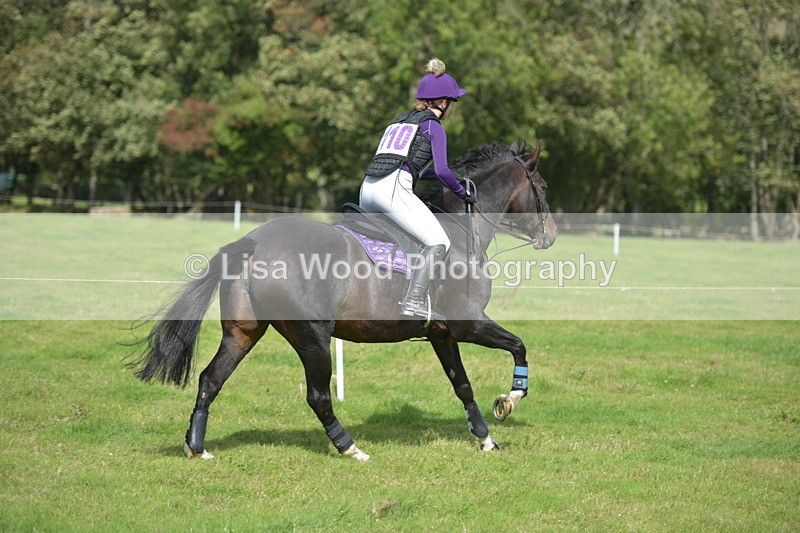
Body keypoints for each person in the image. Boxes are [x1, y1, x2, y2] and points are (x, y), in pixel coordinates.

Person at [359, 58, 475, 318]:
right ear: (443, 103)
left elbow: (414, 167)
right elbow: (444, 171)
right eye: (452, 103)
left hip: (367, 189)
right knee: (439, 241)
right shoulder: (433, 126)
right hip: (393, 191)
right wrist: (462, 193)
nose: (452, 108)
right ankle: (414, 300)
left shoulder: (400, 121)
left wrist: (441, 178)